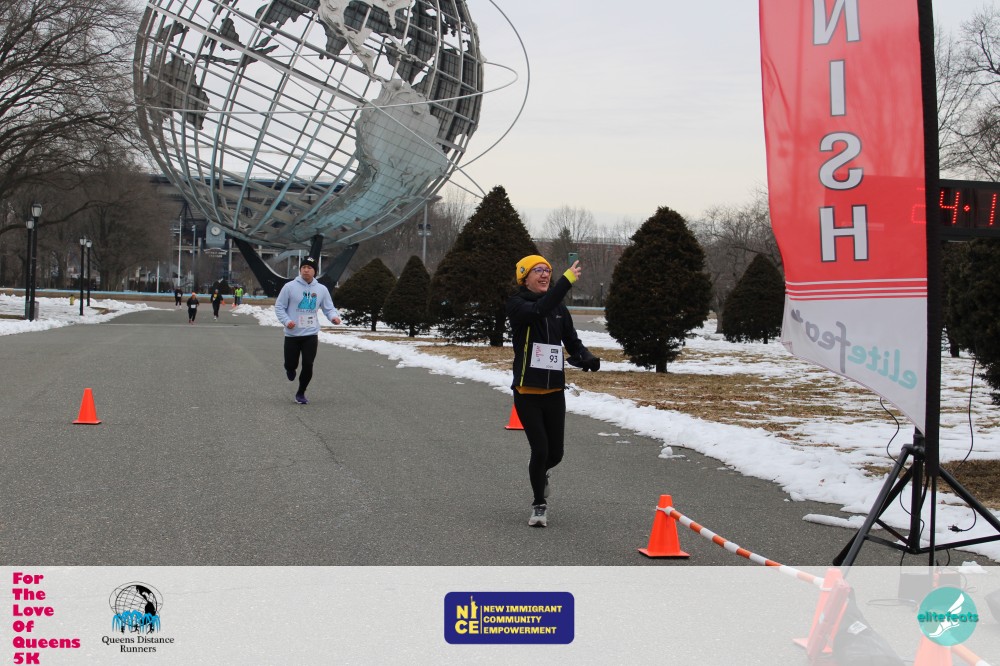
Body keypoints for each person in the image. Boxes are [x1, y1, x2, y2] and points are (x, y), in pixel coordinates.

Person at [506, 254, 600, 528]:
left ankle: (540, 473)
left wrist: (585, 356)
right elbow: (539, 310)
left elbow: (571, 339)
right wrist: (566, 281)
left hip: (554, 392)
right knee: (540, 449)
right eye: (538, 270)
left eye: (547, 270)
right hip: (527, 392)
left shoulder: (559, 308)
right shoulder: (518, 304)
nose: (545, 274)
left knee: (555, 454)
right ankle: (539, 504)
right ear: (524, 277)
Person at [274, 256, 342, 405]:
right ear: (300, 270)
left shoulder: (321, 289)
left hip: (310, 334)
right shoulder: (289, 287)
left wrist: (333, 317)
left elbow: (328, 308)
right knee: (290, 364)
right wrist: (287, 321)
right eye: (303, 267)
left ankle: (301, 392)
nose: (306, 270)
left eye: (309, 268)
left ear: (314, 271)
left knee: (308, 364)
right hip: (292, 334)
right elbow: (279, 307)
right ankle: (290, 369)